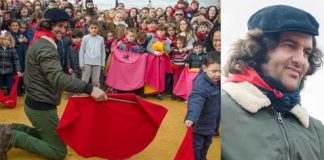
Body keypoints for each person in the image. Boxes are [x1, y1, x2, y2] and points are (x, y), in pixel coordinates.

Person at [0, 8, 107, 160]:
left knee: (53, 137)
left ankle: (11, 130)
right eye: (59, 25)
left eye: (65, 27)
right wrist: (89, 88)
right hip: (41, 106)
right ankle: (11, 137)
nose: (63, 30)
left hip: (38, 102)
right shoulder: (45, 45)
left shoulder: (42, 40)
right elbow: (57, 77)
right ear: (48, 24)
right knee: (58, 151)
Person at [221, 5, 324, 160]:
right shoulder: (221, 110)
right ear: (258, 50)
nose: (301, 60)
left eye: (306, 52)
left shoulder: (316, 131)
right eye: (290, 45)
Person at [184, 52, 220, 160]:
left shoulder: (217, 81)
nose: (218, 74)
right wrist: (191, 117)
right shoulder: (201, 84)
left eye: (220, 71)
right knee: (196, 147)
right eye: (214, 71)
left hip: (210, 125)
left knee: (206, 145)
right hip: (199, 126)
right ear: (204, 68)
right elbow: (196, 101)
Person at [79, 19, 106, 88]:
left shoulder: (101, 39)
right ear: (88, 29)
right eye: (92, 28)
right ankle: (82, 93)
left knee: (95, 81)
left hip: (97, 63)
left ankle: (96, 93)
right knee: (85, 80)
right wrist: (81, 63)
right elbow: (82, 51)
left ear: (98, 28)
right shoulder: (85, 38)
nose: (93, 30)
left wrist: (103, 63)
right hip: (86, 63)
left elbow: (103, 52)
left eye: (95, 28)